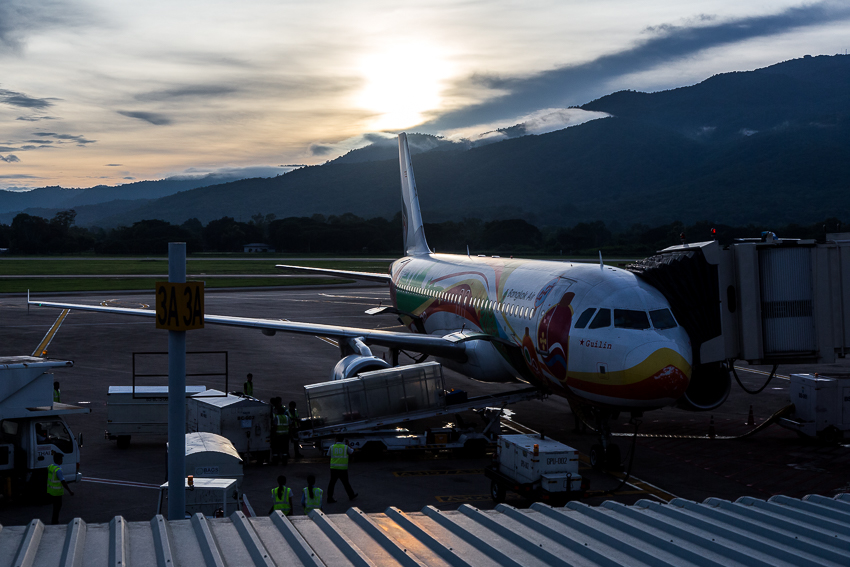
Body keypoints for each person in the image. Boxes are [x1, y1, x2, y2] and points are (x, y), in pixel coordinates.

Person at [326, 435, 357, 503]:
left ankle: (329, 498)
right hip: (343, 468)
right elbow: (352, 453)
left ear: (336, 439)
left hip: (334, 468)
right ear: (343, 440)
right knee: (346, 483)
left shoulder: (332, 447)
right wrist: (348, 444)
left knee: (332, 483)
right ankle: (351, 495)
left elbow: (328, 456)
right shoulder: (345, 447)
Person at [47, 452, 74, 525]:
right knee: (57, 507)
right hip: (57, 492)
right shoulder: (58, 470)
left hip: (51, 490)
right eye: (61, 459)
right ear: (59, 460)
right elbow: (63, 482)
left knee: (55, 507)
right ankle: (55, 521)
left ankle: (54, 520)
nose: (62, 461)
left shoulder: (50, 467)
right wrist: (70, 491)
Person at [272, 398, 290, 464]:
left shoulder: (277, 418)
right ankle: (284, 461)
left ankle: (276, 461)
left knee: (276, 448)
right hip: (285, 435)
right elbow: (290, 426)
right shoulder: (287, 417)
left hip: (278, 435)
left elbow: (275, 426)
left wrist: (273, 435)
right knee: (285, 449)